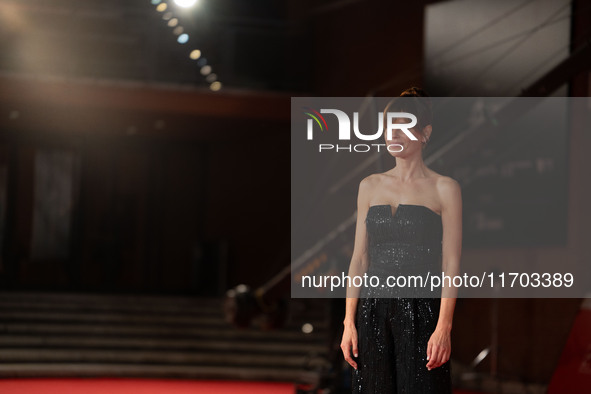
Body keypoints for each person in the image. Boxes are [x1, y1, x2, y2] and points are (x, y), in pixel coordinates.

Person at [340, 87, 462, 393]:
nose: (393, 134)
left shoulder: (445, 188)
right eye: (388, 127)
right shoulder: (369, 186)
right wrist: (348, 322)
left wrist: (444, 326)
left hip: (422, 312)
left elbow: (451, 262)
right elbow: (359, 258)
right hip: (372, 311)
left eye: (403, 126)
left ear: (425, 133)